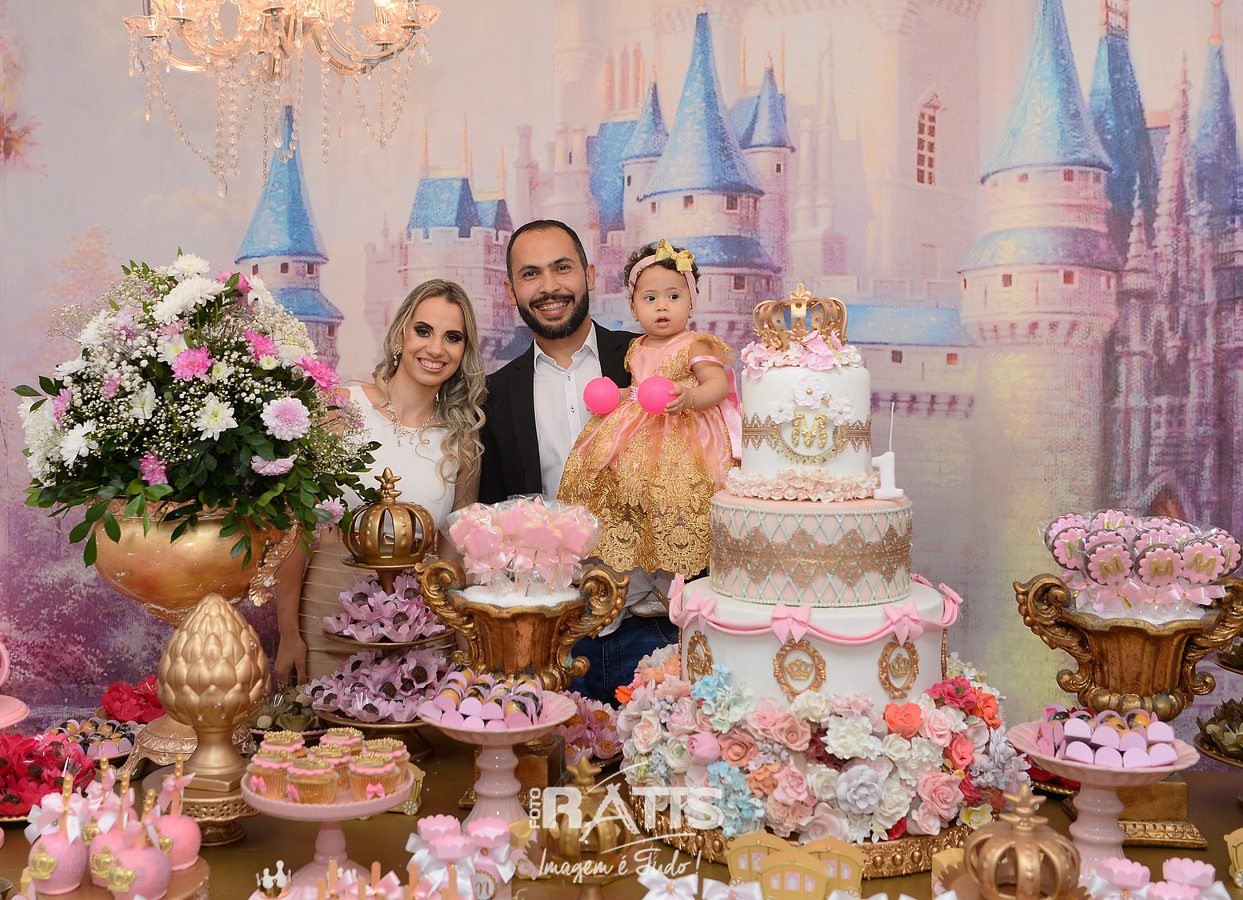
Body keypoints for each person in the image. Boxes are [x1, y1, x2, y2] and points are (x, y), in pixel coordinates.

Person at [479, 220, 676, 704]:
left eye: (562, 268)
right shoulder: (495, 395)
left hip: (653, 626)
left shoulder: (649, 359)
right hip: (551, 641)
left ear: (588, 274)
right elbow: (493, 521)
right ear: (510, 291)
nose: (549, 287)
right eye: (531, 274)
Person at [274, 279, 486, 686]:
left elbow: (452, 558)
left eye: (453, 337)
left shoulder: (462, 442)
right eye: (423, 330)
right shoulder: (342, 408)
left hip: (419, 624)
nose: (436, 348)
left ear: (464, 352)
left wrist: (462, 646)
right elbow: (294, 528)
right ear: (401, 334)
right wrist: (288, 634)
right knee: (326, 726)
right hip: (328, 607)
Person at [559, 240, 739, 580]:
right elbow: (638, 388)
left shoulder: (694, 343)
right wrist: (616, 395)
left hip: (683, 433)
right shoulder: (636, 346)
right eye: (650, 298)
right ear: (634, 306)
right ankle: (639, 568)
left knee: (677, 496)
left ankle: (679, 573)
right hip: (636, 433)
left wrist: (690, 397)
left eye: (674, 296)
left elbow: (717, 385)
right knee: (630, 494)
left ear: (691, 303)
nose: (662, 306)